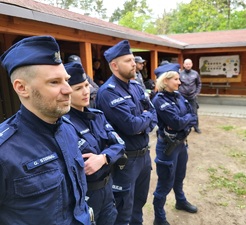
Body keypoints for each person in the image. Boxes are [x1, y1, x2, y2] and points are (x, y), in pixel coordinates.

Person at [0, 35, 90, 225]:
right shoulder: (4, 151)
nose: (67, 90)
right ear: (22, 88)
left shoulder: (67, 128)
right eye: (54, 82)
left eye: (66, 80)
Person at [96, 40, 157, 225]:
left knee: (139, 203)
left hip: (144, 156)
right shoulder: (108, 92)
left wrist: (143, 122)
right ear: (114, 66)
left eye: (133, 60)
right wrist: (144, 120)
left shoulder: (136, 86)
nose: (134, 64)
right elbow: (130, 126)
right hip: (125, 161)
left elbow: (154, 114)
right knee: (123, 210)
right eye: (128, 60)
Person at [64, 62, 126, 225]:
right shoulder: (64, 125)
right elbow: (85, 165)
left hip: (107, 187)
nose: (86, 91)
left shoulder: (97, 116)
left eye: (86, 85)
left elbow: (120, 144)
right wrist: (109, 153)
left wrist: (104, 157)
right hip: (86, 195)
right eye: (78, 88)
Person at [152, 63, 198, 225]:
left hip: (181, 145)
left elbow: (193, 116)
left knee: (179, 177)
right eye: (176, 79)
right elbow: (177, 123)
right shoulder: (159, 100)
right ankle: (159, 218)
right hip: (168, 148)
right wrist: (184, 121)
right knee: (164, 184)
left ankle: (180, 201)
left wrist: (183, 121)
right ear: (165, 81)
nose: (180, 82)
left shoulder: (178, 96)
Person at [178, 58, 202, 133]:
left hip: (192, 96)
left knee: (194, 112)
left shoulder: (195, 73)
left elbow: (199, 84)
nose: (188, 65)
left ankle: (196, 127)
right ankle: (184, 126)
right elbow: (177, 84)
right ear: (183, 65)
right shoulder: (180, 74)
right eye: (186, 64)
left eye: (189, 64)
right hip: (182, 97)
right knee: (183, 112)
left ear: (191, 65)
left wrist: (196, 93)